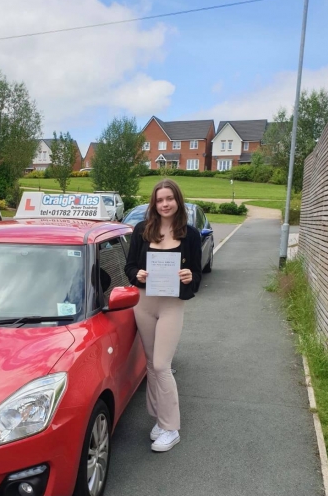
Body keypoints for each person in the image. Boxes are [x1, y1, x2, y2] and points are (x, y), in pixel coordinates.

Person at [124, 179, 202, 452]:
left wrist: (190, 275)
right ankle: (159, 419)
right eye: (160, 200)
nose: (165, 204)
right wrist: (138, 274)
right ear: (154, 204)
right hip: (144, 304)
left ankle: (171, 428)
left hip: (171, 305)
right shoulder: (142, 231)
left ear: (177, 200)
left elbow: (196, 276)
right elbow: (130, 266)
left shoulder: (190, 235)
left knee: (161, 365)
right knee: (149, 364)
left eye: (169, 198)